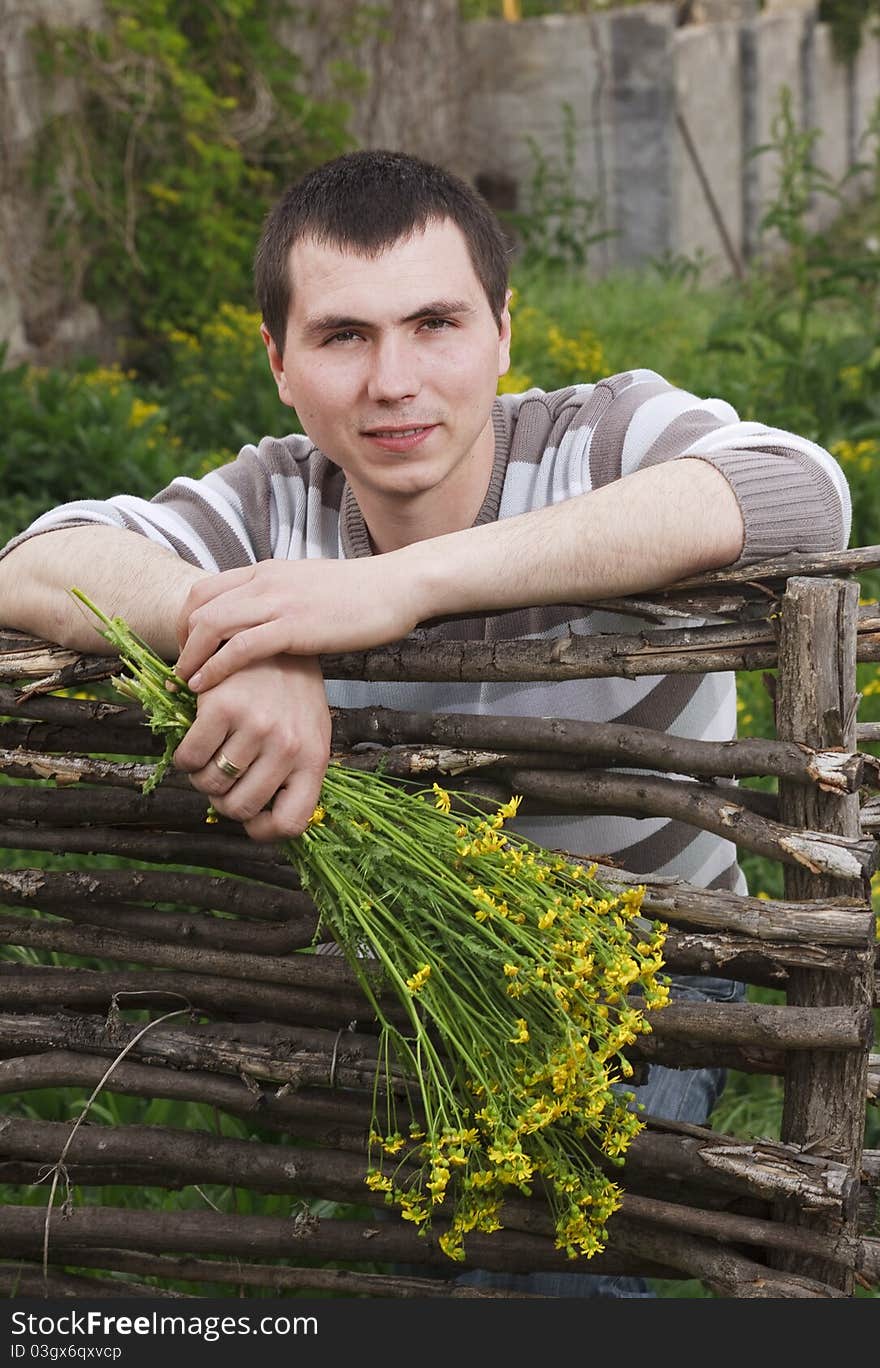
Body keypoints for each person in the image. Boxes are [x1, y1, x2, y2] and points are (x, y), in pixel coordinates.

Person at [0, 149, 851, 1296]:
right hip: (402, 972)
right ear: (279, 364)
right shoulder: (272, 501)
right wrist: (245, 626)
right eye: (343, 336)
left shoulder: (592, 442)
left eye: (436, 323)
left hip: (657, 961)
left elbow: (798, 489)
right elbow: (37, 558)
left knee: (547, 1275)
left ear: (503, 331)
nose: (394, 380)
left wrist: (401, 586)